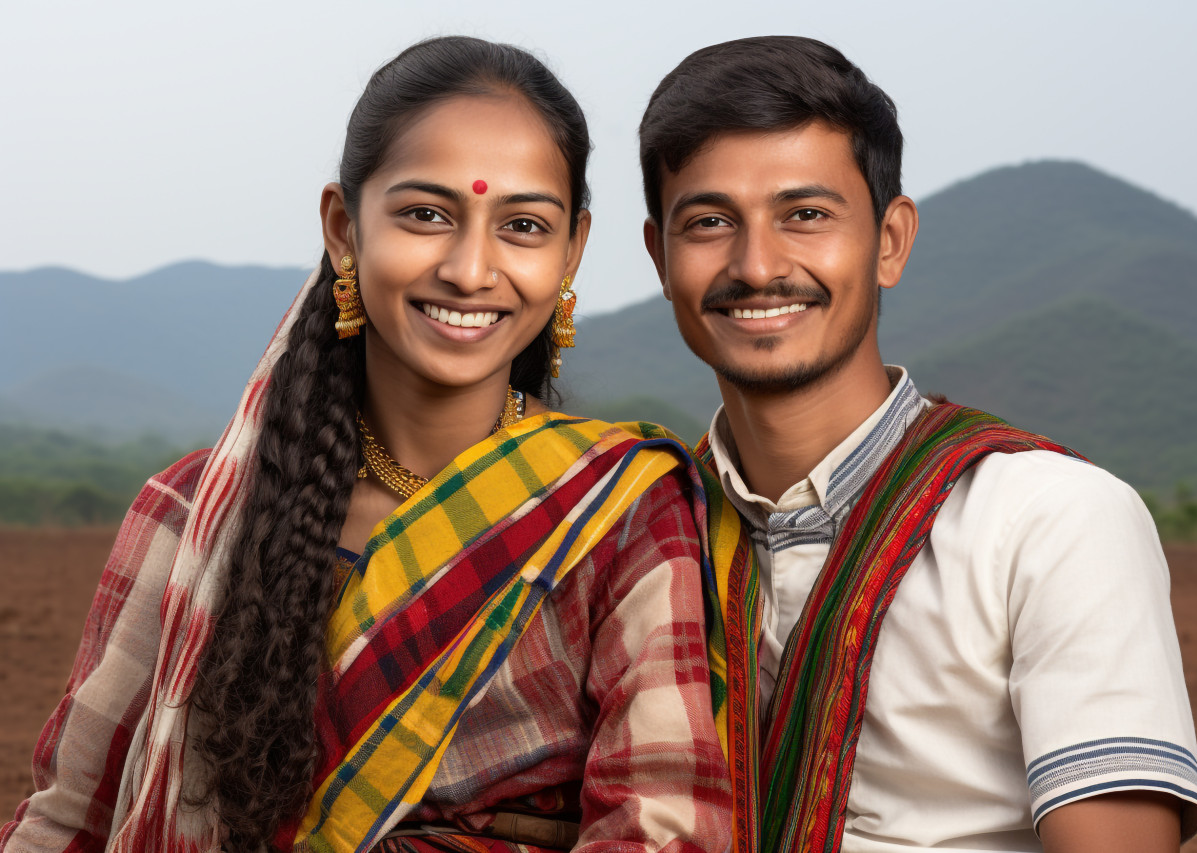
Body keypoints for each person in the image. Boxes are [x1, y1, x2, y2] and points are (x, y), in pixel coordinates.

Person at [1, 36, 735, 853]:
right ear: (344, 229)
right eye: (426, 215)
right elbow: (68, 820)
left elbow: (664, 829)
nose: (469, 268)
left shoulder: (618, 510)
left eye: (523, 225)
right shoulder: (194, 519)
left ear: (573, 250)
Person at [638, 36, 1197, 853]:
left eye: (806, 215)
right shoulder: (639, 534)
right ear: (661, 257)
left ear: (891, 240)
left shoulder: (1052, 520)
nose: (757, 264)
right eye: (709, 222)